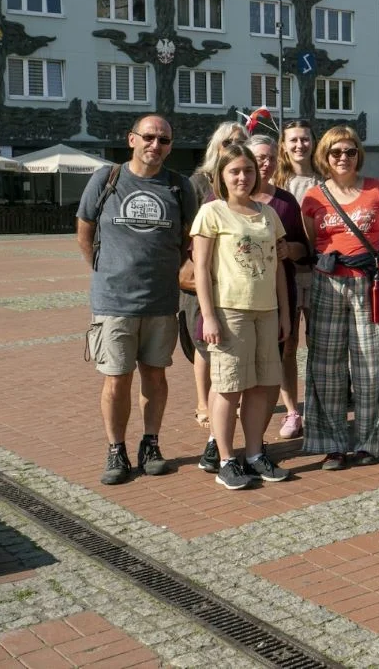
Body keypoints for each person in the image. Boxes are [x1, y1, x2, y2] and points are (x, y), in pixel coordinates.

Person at [77, 115, 197, 485]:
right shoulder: (106, 179)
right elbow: (85, 233)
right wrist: (110, 272)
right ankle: (116, 449)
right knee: (116, 379)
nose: (155, 146)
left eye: (163, 140)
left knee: (155, 376)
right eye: (148, 137)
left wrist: (163, 273)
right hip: (114, 301)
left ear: (170, 146)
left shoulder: (179, 186)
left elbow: (186, 242)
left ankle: (151, 443)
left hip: (161, 301)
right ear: (132, 139)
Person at [191, 144, 291, 489]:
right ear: (221, 175)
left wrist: (284, 314)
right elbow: (201, 269)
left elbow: (277, 268)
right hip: (230, 310)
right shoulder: (212, 212)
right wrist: (209, 316)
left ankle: (254, 454)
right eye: (234, 171)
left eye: (248, 170)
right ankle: (225, 459)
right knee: (230, 387)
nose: (242, 177)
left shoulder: (268, 214)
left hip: (266, 311)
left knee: (262, 387)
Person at [301, 126, 379, 470]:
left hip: (368, 284)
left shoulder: (378, 191)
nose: (343, 157)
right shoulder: (314, 196)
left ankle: (368, 442)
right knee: (326, 366)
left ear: (359, 154)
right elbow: (312, 242)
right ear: (325, 156)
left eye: (350, 151)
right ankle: (333, 444)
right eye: (335, 152)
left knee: (371, 365)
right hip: (328, 284)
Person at [183, 121, 248, 428]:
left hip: (235, 277)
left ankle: (227, 398)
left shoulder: (246, 180)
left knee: (229, 341)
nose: (234, 146)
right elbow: (186, 230)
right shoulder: (198, 183)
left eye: (241, 141)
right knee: (203, 341)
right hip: (201, 276)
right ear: (216, 147)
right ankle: (202, 401)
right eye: (228, 142)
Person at [248, 135, 308, 439]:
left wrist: (291, 251)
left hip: (280, 291)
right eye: (259, 157)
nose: (266, 163)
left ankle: (291, 411)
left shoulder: (285, 201)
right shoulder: (223, 199)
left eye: (271, 157)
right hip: (241, 295)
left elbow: (303, 247)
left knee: (285, 352)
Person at [274, 118, 321, 427]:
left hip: (320, 272)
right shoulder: (277, 183)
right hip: (287, 274)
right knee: (287, 343)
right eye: (293, 140)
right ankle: (292, 411)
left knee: (321, 344)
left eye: (304, 139)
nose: (299, 145)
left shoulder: (325, 178)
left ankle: (321, 407)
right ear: (284, 145)